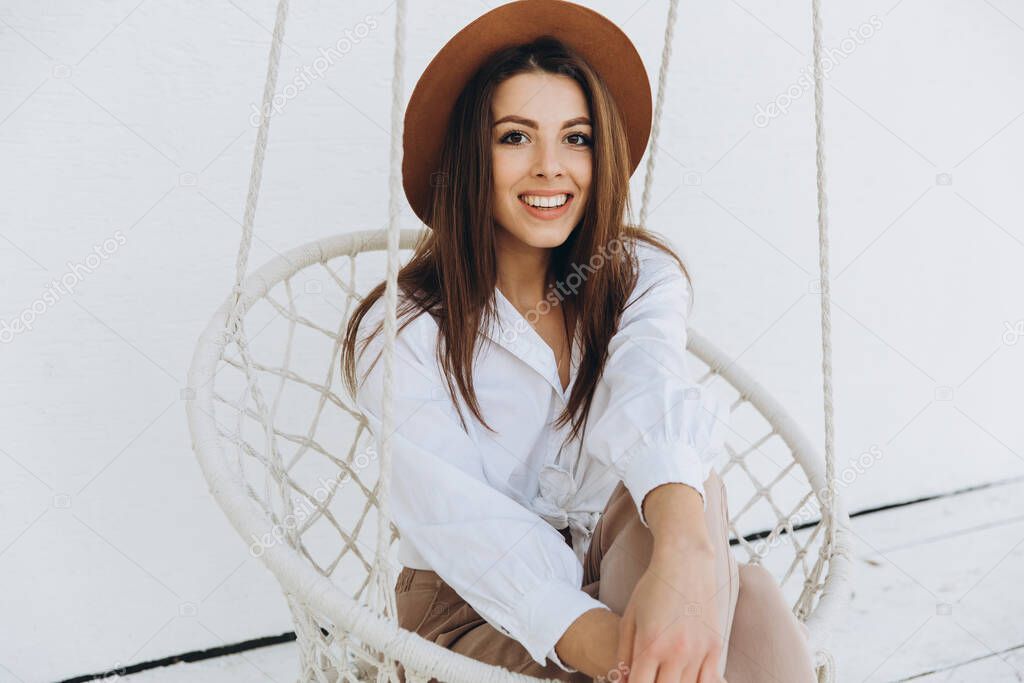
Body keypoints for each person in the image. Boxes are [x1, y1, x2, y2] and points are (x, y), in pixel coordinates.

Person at [341, 2, 817, 681]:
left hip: (625, 570)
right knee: (756, 611)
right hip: (471, 615)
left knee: (690, 491)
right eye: (514, 137)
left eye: (577, 138)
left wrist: (684, 559)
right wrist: (632, 659)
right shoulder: (407, 335)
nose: (550, 168)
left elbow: (651, 390)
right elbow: (471, 535)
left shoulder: (637, 276)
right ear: (470, 156)